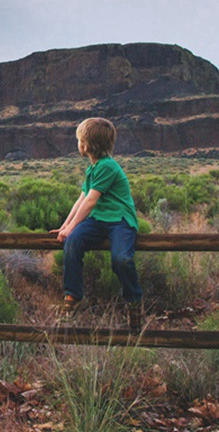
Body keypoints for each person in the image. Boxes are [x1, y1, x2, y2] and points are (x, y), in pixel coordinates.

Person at [50, 117, 143, 332]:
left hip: (120, 220)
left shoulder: (108, 167)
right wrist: (66, 227)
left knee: (121, 259)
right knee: (72, 242)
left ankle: (134, 302)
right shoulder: (93, 168)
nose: (78, 144)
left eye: (80, 140)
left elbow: (91, 201)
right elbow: (81, 198)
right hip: (99, 220)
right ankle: (73, 295)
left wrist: (72, 226)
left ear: (87, 145)